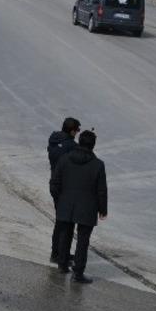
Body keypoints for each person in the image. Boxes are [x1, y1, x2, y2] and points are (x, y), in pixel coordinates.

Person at [50, 130, 107, 284]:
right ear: (93, 145)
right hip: (87, 208)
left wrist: (59, 199)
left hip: (66, 204)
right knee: (83, 241)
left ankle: (62, 265)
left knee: (65, 235)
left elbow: (55, 182)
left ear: (79, 141)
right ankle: (78, 273)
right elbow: (101, 190)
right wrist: (103, 210)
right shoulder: (98, 165)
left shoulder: (64, 159)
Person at [47, 117, 81, 262]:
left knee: (61, 221)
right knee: (64, 222)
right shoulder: (72, 147)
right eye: (77, 130)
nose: (78, 133)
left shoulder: (54, 140)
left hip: (54, 184)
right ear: (72, 131)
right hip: (65, 187)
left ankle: (59, 252)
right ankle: (58, 254)